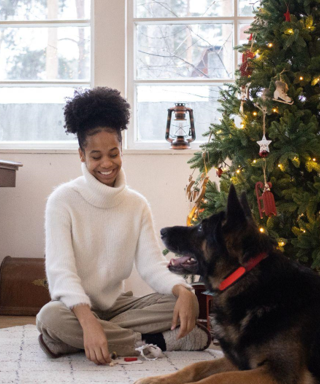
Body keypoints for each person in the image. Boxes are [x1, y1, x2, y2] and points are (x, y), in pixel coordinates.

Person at [36, 87, 210, 365]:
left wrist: (184, 292)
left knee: (175, 303)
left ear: (121, 150)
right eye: (95, 156)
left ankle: (70, 342)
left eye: (113, 153)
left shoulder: (136, 204)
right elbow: (61, 273)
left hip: (120, 307)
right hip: (74, 308)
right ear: (81, 155)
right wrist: (87, 321)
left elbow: (153, 266)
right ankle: (154, 342)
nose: (106, 164)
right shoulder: (62, 201)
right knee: (49, 317)